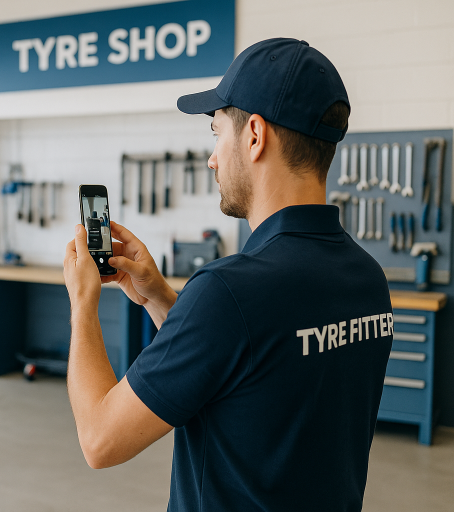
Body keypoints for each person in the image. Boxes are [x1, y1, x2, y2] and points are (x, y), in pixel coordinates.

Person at [63, 38, 393, 511]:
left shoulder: (228, 292)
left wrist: (82, 303)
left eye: (217, 133)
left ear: (255, 135)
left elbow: (99, 440)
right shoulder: (367, 278)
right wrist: (160, 298)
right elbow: (251, 368)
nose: (214, 157)